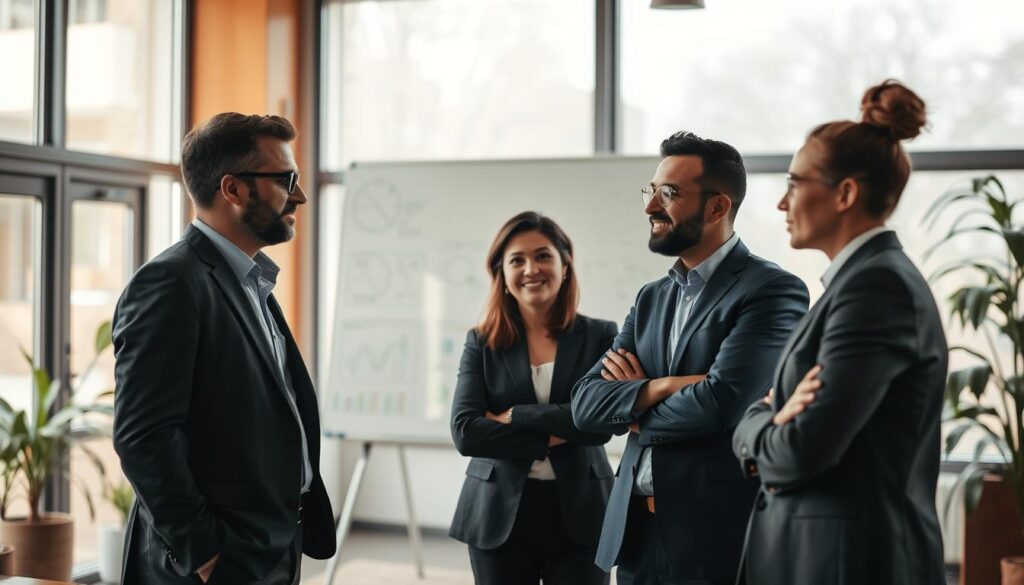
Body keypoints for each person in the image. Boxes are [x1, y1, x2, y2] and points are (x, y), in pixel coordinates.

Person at [732, 80, 946, 584]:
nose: (783, 205)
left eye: (794, 183)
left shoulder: (877, 290)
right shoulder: (858, 284)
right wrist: (771, 417)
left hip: (849, 564)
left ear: (845, 193)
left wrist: (760, 422)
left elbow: (800, 452)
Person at [571, 132, 809, 585]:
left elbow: (722, 404)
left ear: (717, 207)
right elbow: (584, 405)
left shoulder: (772, 290)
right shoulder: (651, 298)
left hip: (715, 536)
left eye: (670, 194)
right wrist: (661, 387)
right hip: (638, 533)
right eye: (652, 191)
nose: (650, 207)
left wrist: (633, 404)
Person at [112, 113, 336, 585]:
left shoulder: (251, 281)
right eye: (286, 179)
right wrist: (206, 553)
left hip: (270, 545)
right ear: (232, 190)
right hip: (214, 562)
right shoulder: (171, 283)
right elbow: (143, 437)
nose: (300, 195)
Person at [449, 211, 618, 585]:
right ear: (502, 275)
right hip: (496, 514)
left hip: (582, 511)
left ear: (565, 265)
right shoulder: (482, 342)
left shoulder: (600, 336)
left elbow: (601, 424)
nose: (531, 269)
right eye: (517, 260)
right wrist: (560, 428)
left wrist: (513, 416)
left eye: (543, 255)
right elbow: (466, 433)